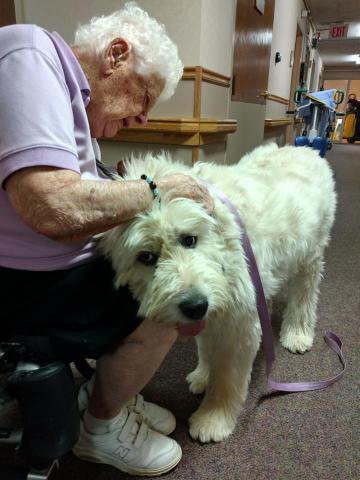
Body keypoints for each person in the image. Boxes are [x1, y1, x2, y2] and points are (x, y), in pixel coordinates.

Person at [0, 2, 213, 476]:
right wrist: (156, 189)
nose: (142, 118)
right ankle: (102, 428)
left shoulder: (68, 95)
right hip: (19, 284)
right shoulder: (29, 56)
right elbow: (51, 207)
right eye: (145, 97)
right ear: (116, 55)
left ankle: (110, 393)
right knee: (168, 300)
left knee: (158, 274)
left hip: (52, 269)